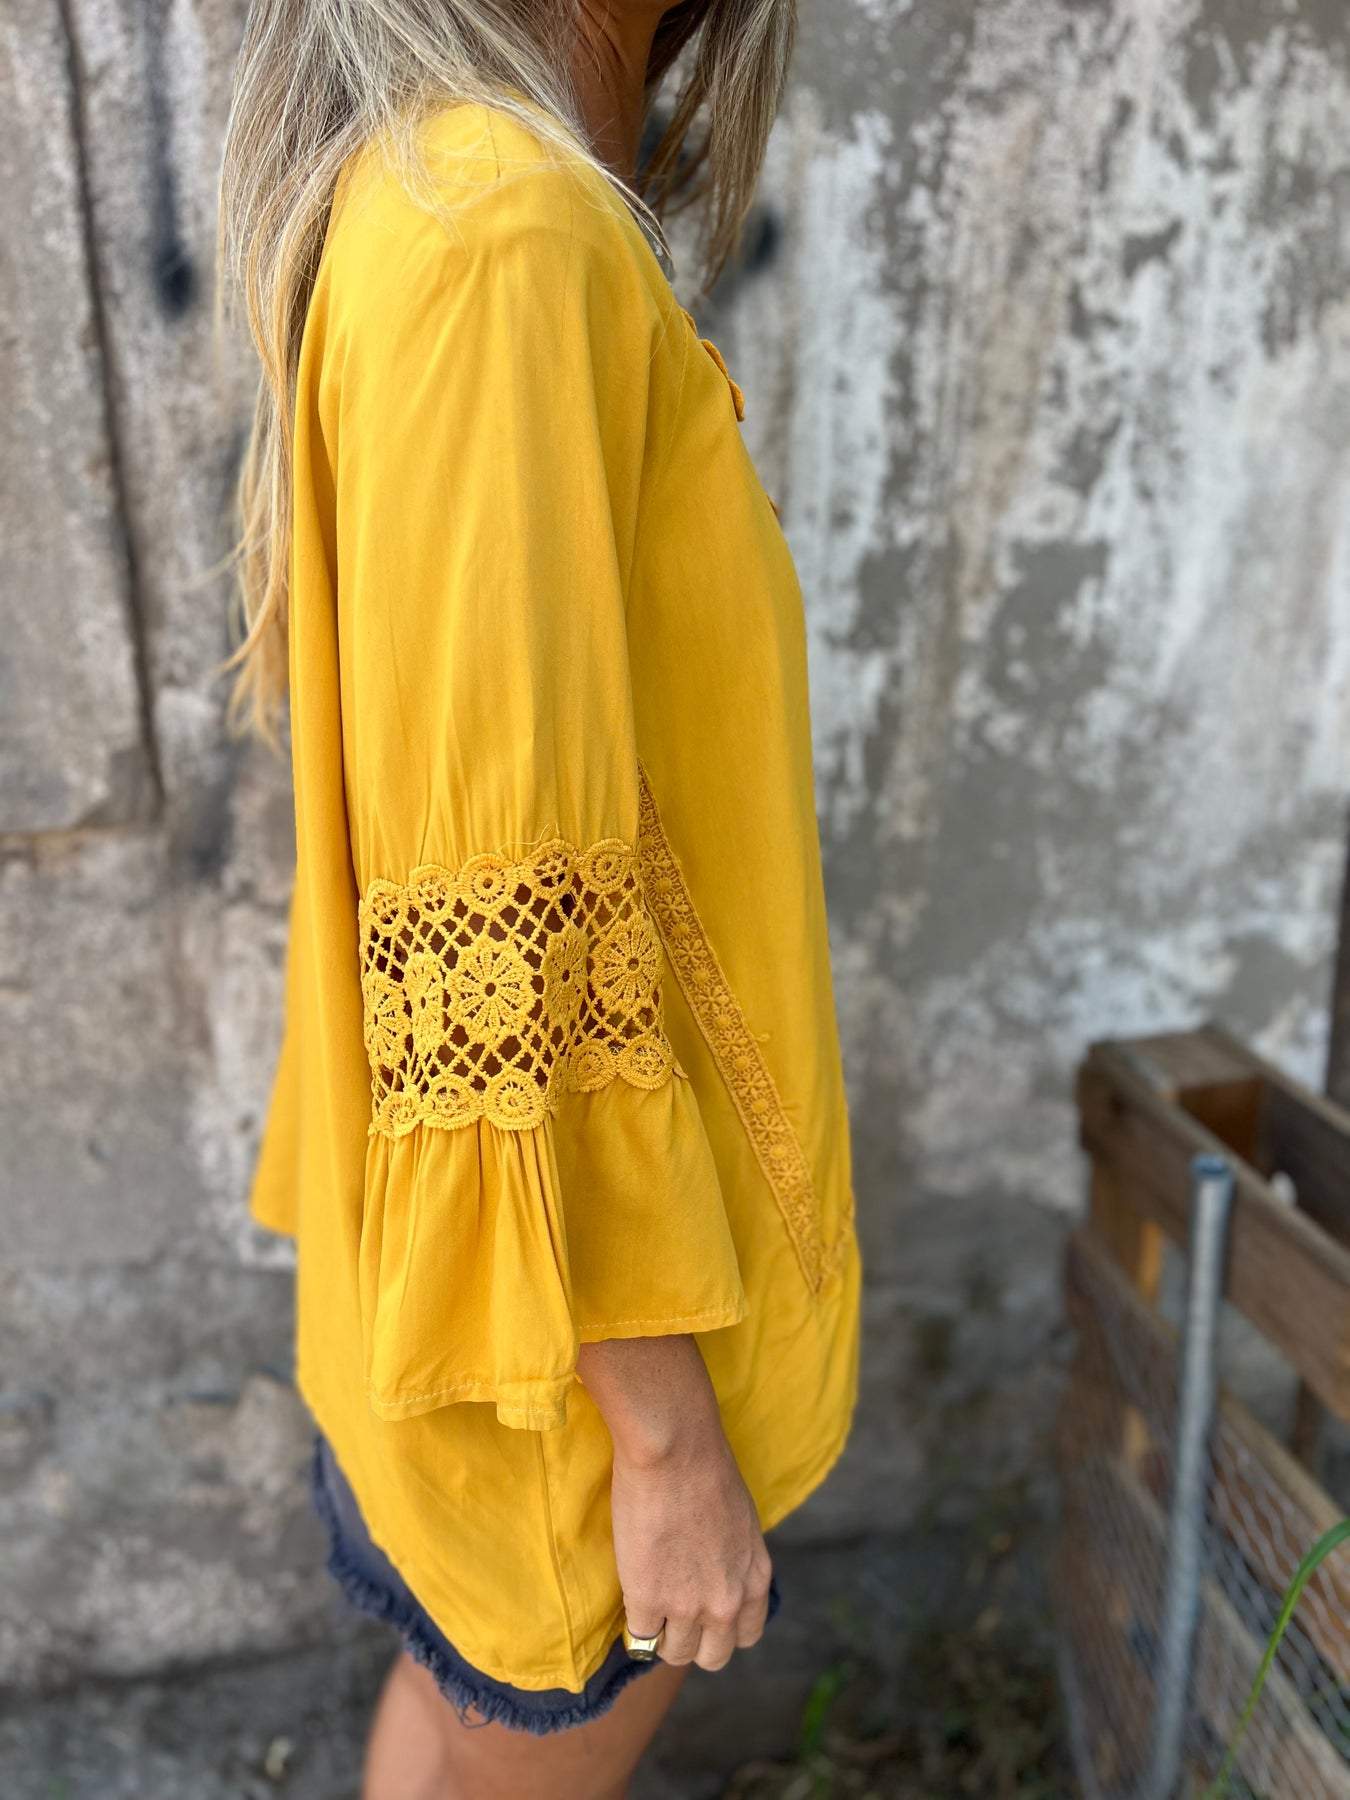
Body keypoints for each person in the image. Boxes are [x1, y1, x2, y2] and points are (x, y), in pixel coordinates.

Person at [218, 1, 860, 1793]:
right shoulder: (496, 227)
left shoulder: (439, 192)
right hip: (575, 1372)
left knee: (447, 1732)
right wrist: (661, 1443)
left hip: (482, 1325)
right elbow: (497, 929)